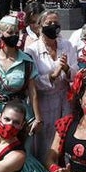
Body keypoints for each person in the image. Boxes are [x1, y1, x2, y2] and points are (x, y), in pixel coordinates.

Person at [0, 14, 40, 130]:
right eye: (10, 33)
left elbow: (33, 93)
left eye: (16, 32)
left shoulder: (26, 61)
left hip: (20, 113)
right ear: (0, 34)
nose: (14, 36)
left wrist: (38, 119)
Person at [28, 10, 77, 159]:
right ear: (39, 26)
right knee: (46, 141)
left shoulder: (66, 45)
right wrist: (53, 75)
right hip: (44, 102)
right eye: (49, 23)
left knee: (65, 135)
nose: (53, 26)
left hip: (65, 99)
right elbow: (32, 81)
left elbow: (76, 72)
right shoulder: (32, 50)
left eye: (56, 23)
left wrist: (67, 69)